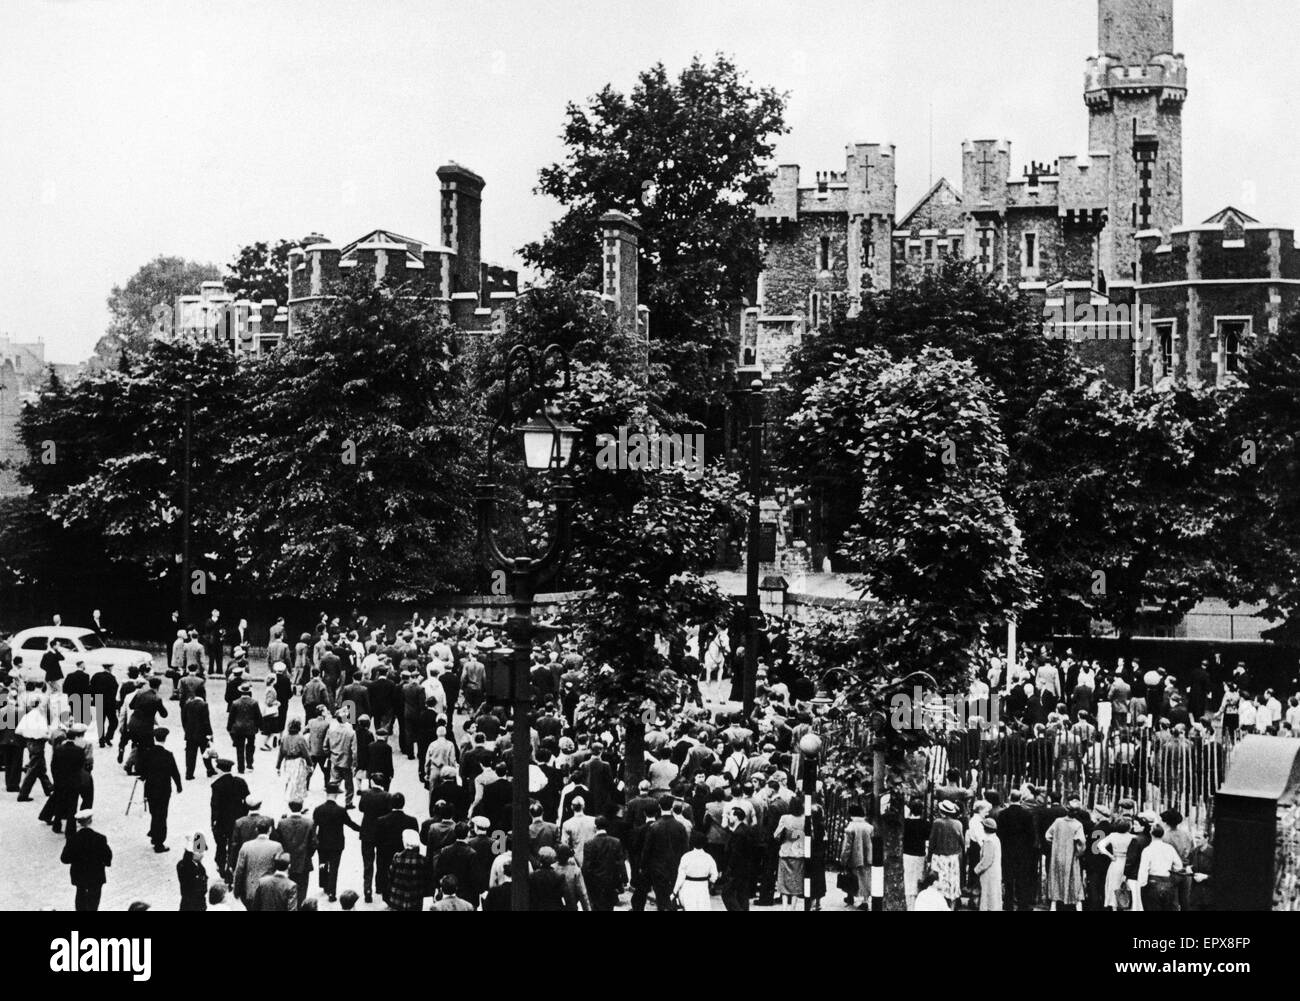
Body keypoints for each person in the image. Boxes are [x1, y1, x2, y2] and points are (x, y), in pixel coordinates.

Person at [312, 785, 360, 902]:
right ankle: (332, 892)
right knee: (334, 868)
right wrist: (362, 829)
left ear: (327, 794)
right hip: (336, 844)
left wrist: (314, 841)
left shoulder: (318, 809)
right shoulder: (341, 810)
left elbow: (314, 827)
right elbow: (350, 824)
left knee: (322, 864)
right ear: (336, 795)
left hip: (322, 843)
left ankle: (324, 885)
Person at [139, 727, 183, 852]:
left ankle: (154, 834)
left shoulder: (147, 753)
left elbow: (141, 770)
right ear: (165, 739)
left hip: (150, 789)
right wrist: (179, 786)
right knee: (162, 815)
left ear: (154, 738)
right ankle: (159, 843)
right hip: (164, 789)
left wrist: (144, 776)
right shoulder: (168, 755)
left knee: (154, 812)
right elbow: (175, 772)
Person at [60, 809, 111, 912]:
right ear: (90, 820)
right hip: (96, 875)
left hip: (79, 875)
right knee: (93, 901)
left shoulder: (72, 839)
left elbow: (64, 859)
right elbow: (107, 857)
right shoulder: (100, 838)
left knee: (80, 897)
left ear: (78, 822)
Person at [209, 758, 249, 882]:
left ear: (219, 769)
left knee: (221, 845)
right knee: (234, 844)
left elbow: (214, 806)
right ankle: (232, 868)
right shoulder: (240, 782)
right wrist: (243, 813)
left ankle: (221, 866)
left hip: (222, 822)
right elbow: (247, 800)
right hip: (237, 820)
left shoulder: (217, 785)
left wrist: (214, 822)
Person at [272, 800, 315, 907]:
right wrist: (307, 855)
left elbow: (278, 842)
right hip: (303, 863)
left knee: (286, 891)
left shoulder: (282, 823)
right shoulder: (309, 823)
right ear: (301, 807)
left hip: (286, 862)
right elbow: (314, 843)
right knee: (301, 892)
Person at [581, 816, 627, 911]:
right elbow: (620, 863)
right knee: (609, 907)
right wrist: (624, 879)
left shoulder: (589, 844)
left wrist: (586, 884)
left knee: (596, 907)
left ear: (595, 827)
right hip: (611, 882)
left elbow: (586, 867)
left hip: (595, 884)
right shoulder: (616, 842)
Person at [1045, 806, 1086, 911]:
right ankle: (1077, 905)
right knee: (1074, 880)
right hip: (1071, 856)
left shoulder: (1058, 821)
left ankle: (1053, 905)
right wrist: (1078, 853)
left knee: (1056, 878)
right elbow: (1082, 842)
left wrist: (1055, 844)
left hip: (1057, 855)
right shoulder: (1077, 825)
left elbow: (1048, 835)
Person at [233, 817, 280, 906]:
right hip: (269, 892)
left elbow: (239, 870)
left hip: (251, 891)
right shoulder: (277, 846)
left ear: (256, 830)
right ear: (270, 830)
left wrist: (236, 891)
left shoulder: (246, 846)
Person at [926, 800, 964, 907]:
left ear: (941, 811)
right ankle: (951, 907)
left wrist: (929, 858)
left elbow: (932, 841)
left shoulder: (937, 823)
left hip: (939, 858)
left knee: (939, 882)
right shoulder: (958, 824)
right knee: (953, 885)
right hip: (953, 858)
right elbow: (962, 842)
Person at [1138, 823, 1184, 911]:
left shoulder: (1147, 850)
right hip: (1168, 883)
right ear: (1162, 834)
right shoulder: (1169, 848)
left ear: (1151, 833)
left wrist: (1142, 885)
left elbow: (1143, 870)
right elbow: (1179, 865)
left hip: (1153, 883)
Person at [773, 794, 808, 911]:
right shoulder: (805, 819)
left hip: (785, 850)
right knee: (796, 881)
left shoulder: (785, 818)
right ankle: (792, 907)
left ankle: (784, 907)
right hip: (799, 852)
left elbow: (776, 835)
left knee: (783, 880)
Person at [672, 830, 719, 911]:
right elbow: (715, 875)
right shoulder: (708, 858)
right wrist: (710, 881)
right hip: (703, 888)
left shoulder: (686, 857)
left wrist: (674, 892)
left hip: (688, 888)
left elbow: (680, 877)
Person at [1096, 817, 1136, 910]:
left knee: (1114, 887)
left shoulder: (1112, 836)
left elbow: (1100, 845)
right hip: (1128, 863)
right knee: (1127, 888)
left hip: (1115, 862)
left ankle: (1114, 908)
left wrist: (1110, 856)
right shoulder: (1132, 837)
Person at [839, 804, 873, 909]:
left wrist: (843, 859)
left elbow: (847, 846)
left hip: (854, 857)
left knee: (850, 876)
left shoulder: (850, 827)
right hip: (867, 856)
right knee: (865, 878)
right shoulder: (870, 827)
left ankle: (850, 896)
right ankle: (865, 901)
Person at [385, 829, 429, 911]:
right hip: (415, 899)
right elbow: (425, 880)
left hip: (398, 898)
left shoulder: (397, 857)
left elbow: (390, 876)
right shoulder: (423, 860)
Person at [181, 686, 216, 781]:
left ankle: (189, 773)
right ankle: (209, 769)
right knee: (205, 752)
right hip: (202, 734)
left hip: (190, 733)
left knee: (190, 755)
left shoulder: (187, 704)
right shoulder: (204, 705)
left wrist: (186, 730)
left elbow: (183, 719)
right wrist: (210, 734)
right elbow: (206, 721)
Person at [227, 682, 261, 774]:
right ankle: (249, 764)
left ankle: (240, 767)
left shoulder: (235, 703)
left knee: (239, 748)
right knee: (250, 746)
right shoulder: (254, 703)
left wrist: (229, 727)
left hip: (238, 728)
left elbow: (231, 717)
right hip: (251, 728)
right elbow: (258, 716)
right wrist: (259, 726)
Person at [276, 719, 312, 804]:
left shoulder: (284, 738)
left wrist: (278, 766)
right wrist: (310, 764)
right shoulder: (300, 738)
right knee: (298, 782)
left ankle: (288, 800)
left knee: (289, 782)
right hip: (298, 761)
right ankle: (298, 802)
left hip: (287, 762)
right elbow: (306, 753)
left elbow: (281, 753)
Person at [975, 817, 1003, 911]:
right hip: (995, 872)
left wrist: (977, 869)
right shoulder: (996, 839)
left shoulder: (988, 841)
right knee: (994, 897)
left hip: (988, 873)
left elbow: (987, 859)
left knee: (988, 897)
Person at [177, 831, 210, 911]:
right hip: (192, 906)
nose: (202, 854)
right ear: (191, 853)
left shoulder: (197, 865)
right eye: (199, 852)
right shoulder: (187, 867)